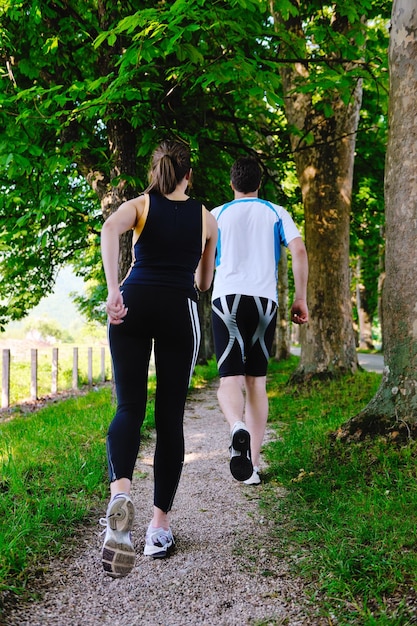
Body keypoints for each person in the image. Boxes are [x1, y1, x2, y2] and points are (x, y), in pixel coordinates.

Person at [99, 140, 218, 577]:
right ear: (189, 174)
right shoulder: (207, 218)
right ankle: (159, 528)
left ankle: (119, 497)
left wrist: (114, 290)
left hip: (131, 303)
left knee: (129, 405)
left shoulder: (139, 205)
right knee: (170, 418)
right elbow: (203, 283)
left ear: (156, 171)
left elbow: (110, 229)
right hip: (177, 311)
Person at [211, 156, 308, 485]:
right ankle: (250, 464)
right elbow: (299, 250)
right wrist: (300, 298)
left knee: (229, 380)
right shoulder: (276, 212)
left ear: (231, 183)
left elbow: (200, 258)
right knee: (257, 383)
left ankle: (235, 427)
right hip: (264, 302)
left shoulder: (216, 214)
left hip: (226, 300)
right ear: (259, 184)